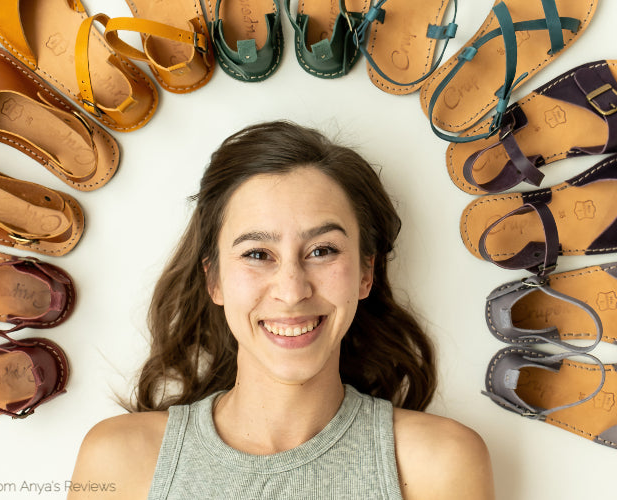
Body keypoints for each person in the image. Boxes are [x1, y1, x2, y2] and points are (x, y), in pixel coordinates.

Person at [68, 121, 494, 499]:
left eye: (322, 250)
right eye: (257, 254)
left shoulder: (441, 464)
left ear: (366, 274)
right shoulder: (118, 460)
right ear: (214, 279)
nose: (292, 291)